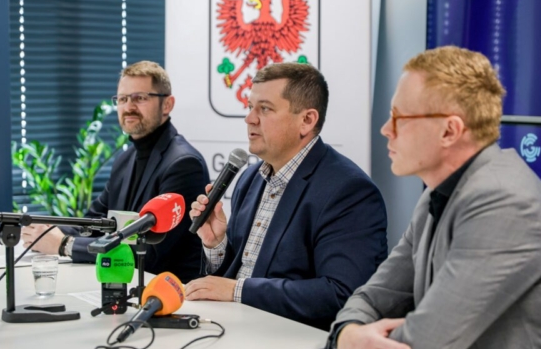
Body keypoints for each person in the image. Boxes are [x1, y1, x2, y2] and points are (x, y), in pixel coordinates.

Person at [328, 46, 541, 349]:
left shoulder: (505, 202)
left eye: (400, 118)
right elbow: (372, 298)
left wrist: (352, 339)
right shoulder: (438, 193)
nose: (386, 130)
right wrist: (349, 335)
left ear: (450, 131)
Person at [186, 62, 387, 330]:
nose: (249, 119)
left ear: (307, 120)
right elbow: (238, 272)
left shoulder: (349, 191)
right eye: (250, 107)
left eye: (265, 109)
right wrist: (216, 244)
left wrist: (238, 291)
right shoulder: (250, 178)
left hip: (293, 339)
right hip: (235, 326)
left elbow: (341, 293)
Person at [22, 61, 209, 283]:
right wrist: (44, 230)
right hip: (126, 284)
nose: (129, 107)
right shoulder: (125, 160)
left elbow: (149, 253)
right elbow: (94, 223)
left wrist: (65, 245)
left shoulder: (184, 164)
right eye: (122, 99)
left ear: (167, 104)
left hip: (169, 292)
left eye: (140, 98)